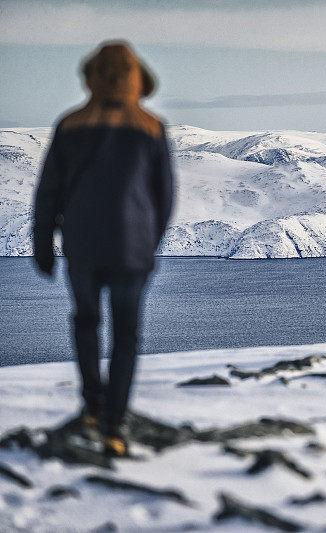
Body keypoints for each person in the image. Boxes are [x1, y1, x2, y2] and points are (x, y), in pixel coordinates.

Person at [32, 41, 174, 457]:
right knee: (127, 334)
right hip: (132, 249)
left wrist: (43, 243)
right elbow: (163, 197)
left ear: (91, 76)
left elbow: (49, 192)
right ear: (138, 79)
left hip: (82, 246)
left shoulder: (70, 125)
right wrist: (150, 241)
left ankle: (92, 406)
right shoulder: (150, 127)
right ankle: (114, 425)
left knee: (86, 322)